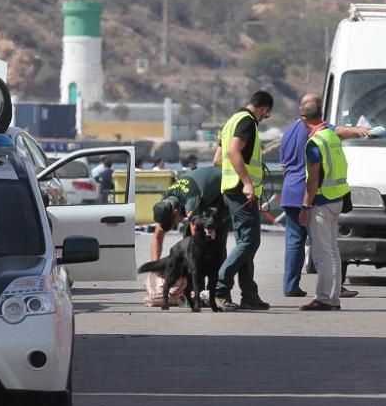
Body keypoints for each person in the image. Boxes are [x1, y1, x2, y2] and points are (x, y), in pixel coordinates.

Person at [280, 93, 370, 298]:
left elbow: (284, 163)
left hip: (289, 190)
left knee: (295, 241)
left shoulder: (287, 132)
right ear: (320, 113)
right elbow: (338, 132)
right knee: (323, 246)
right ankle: (332, 288)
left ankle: (290, 285)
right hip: (308, 193)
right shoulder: (317, 131)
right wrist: (360, 131)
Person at [213, 90, 274, 311]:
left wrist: (238, 174)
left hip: (230, 189)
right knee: (250, 242)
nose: (264, 118)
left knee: (244, 243)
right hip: (241, 191)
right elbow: (233, 152)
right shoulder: (247, 122)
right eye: (266, 115)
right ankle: (219, 288)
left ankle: (249, 295)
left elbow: (218, 159)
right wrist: (247, 181)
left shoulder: (231, 121)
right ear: (265, 109)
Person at [298, 94, 353, 311]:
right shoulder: (331, 135)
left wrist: (305, 206)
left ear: (303, 119)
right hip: (337, 198)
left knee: (322, 252)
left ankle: (325, 298)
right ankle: (334, 296)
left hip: (322, 201)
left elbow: (313, 180)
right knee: (332, 250)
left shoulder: (315, 143)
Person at [150, 166, 225, 261]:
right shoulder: (164, 202)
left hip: (221, 186)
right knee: (189, 238)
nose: (172, 225)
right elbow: (158, 234)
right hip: (200, 189)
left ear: (176, 212)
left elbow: (195, 233)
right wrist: (154, 268)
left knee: (215, 236)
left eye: (171, 222)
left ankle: (218, 272)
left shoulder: (190, 201)